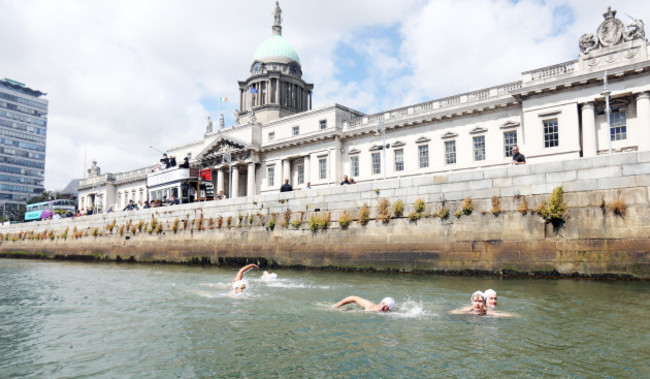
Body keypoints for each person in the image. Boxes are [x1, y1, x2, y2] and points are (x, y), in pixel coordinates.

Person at [331, 296, 395, 312]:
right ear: (381, 301)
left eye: (385, 307)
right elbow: (353, 298)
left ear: (389, 310)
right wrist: (338, 305)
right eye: (382, 304)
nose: (381, 307)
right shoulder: (370, 306)